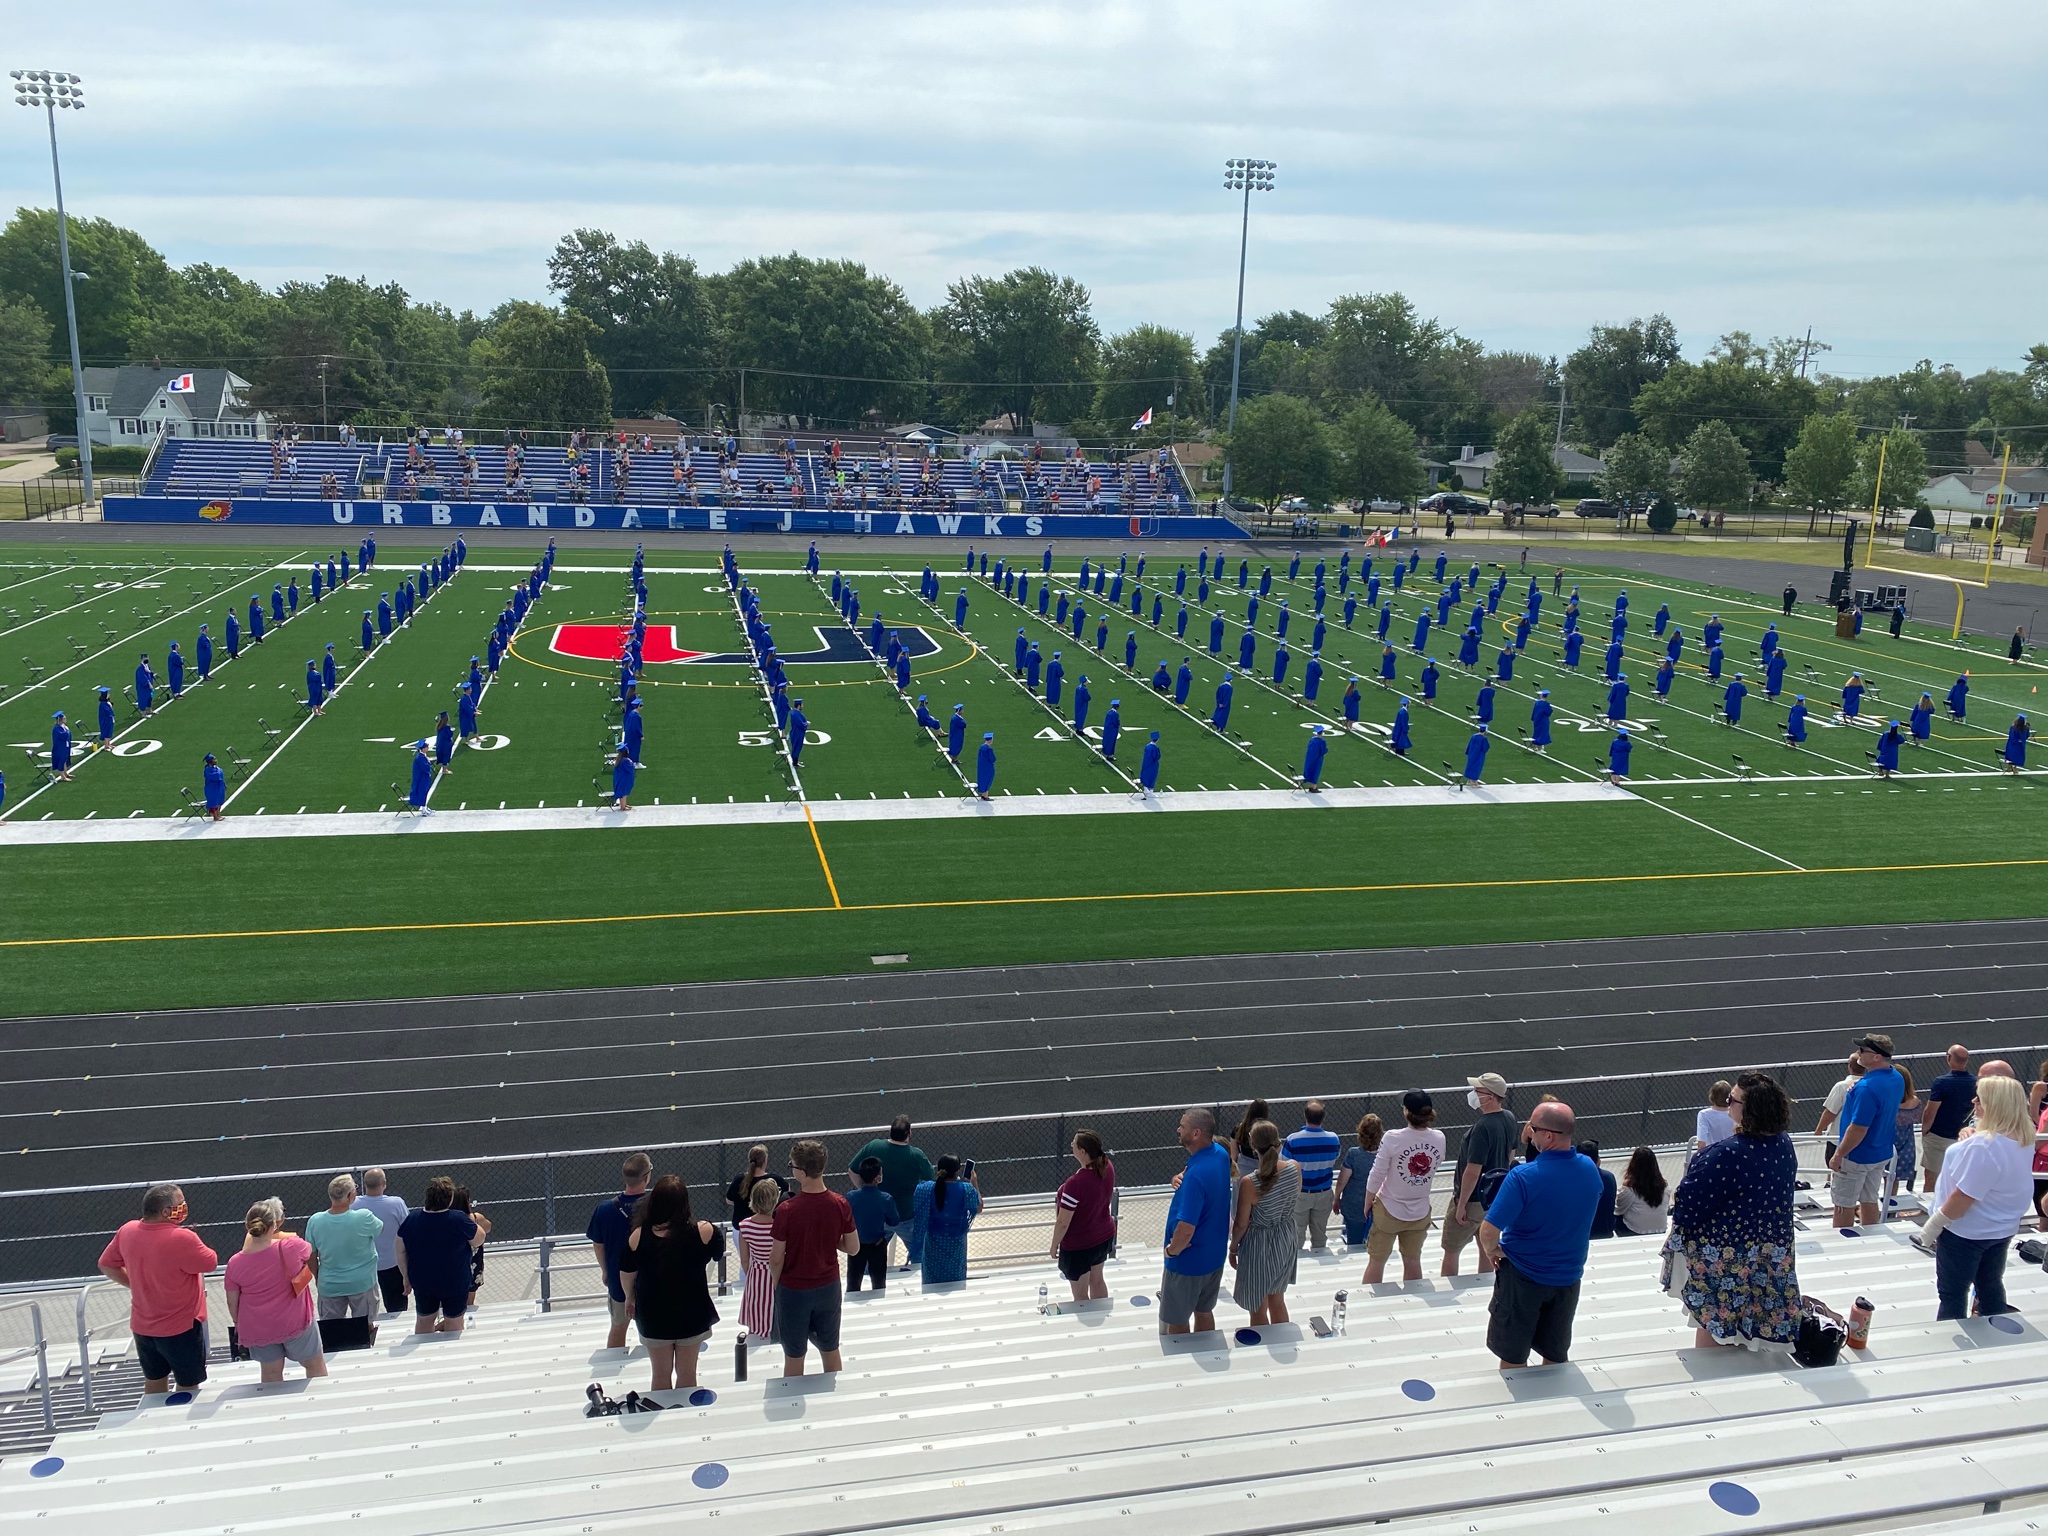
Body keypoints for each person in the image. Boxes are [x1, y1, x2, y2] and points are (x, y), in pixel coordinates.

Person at [1663, 1072, 1801, 1349]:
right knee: (1751, 1318)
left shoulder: (1724, 1154)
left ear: (1750, 1109)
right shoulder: (1784, 1144)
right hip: (1770, 1254)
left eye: (1732, 1100)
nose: (1728, 1104)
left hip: (1725, 1256)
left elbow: (1686, 1209)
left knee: (1713, 1323)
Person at [1478, 1100, 1602, 1369]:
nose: (1529, 1131)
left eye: (1532, 1127)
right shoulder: (1589, 1168)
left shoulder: (1522, 1177)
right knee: (1555, 1358)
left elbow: (1488, 1230)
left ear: (1547, 1136)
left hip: (1523, 1277)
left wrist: (1492, 1250)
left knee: (1513, 1359)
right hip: (1568, 1278)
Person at [1914, 1074, 2035, 1322]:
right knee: (1990, 1284)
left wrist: (1933, 1226)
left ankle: (1952, 1337)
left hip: (1965, 1232)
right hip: (2001, 1228)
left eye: (1979, 1098)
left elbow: (1963, 1197)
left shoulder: (1983, 1146)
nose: (1973, 1101)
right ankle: (1996, 1329)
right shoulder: (2023, 1136)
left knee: (1952, 1294)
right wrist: (1970, 1131)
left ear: (1993, 1104)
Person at [97, 1183, 217, 1396]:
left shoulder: (127, 1230)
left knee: (154, 1381)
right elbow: (210, 1262)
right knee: (188, 1386)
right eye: (181, 1203)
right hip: (181, 1328)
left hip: (143, 1327)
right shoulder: (182, 1238)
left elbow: (106, 1264)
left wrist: (135, 1284)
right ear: (165, 1212)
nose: (184, 1206)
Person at [617, 1175, 723, 1391]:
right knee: (687, 1374)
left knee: (660, 1375)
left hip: (654, 1316)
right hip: (692, 1313)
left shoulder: (638, 1236)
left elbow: (626, 1271)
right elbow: (717, 1253)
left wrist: (630, 1297)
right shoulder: (704, 1231)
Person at [769, 1139, 859, 1376]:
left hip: (794, 1290)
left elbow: (776, 1258)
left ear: (801, 1171)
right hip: (828, 1286)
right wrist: (830, 1239)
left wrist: (777, 1285)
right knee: (830, 1349)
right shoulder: (840, 1203)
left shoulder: (787, 1210)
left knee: (794, 1356)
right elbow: (853, 1248)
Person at [224, 1198, 328, 1385]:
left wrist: (238, 1323)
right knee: (314, 1366)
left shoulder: (234, 1262)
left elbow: (232, 1300)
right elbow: (308, 1250)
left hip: (258, 1327)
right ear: (275, 1224)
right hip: (294, 1321)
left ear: (247, 1226)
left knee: (271, 1373)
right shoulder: (291, 1246)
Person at [1160, 1108, 1232, 1336]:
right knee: (1204, 1311)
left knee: (1177, 1321)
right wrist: (1178, 1177)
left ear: (1196, 1133)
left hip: (1188, 1263)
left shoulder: (1196, 1175)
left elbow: (1185, 1230)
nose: (1178, 1129)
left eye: (1183, 1126)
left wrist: (1171, 1251)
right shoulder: (1220, 1154)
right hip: (1214, 1257)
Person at [1362, 1090, 1446, 1283]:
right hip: (1420, 1210)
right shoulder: (1439, 1138)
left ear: (1407, 1112)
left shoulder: (1392, 1137)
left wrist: (1367, 1202)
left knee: (1376, 1262)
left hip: (1388, 1209)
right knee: (1413, 1261)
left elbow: (1377, 1174)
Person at [1442, 1071, 1516, 1277]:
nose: (1473, 1094)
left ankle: (1448, 1287)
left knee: (1451, 1250)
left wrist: (1461, 1205)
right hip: (1493, 1197)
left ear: (1490, 1097)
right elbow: (1510, 1155)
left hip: (1473, 1199)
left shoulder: (1483, 1127)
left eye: (1478, 1091)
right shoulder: (1509, 1118)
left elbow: (1473, 1171)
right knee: (1486, 1248)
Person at [1828, 1033, 1905, 1228]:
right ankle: (1872, 1237)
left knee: (1843, 1205)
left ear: (1877, 1057)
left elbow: (1858, 1129)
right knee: (1870, 1199)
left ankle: (1843, 1242)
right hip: (1881, 1152)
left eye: (1863, 1050)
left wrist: (1838, 1155)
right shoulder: (1896, 1077)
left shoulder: (1866, 1089)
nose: (1858, 1052)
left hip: (1856, 1156)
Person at [1229, 1122, 1301, 1326]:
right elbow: (1294, 1197)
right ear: (1279, 1143)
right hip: (1286, 1237)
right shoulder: (1294, 1168)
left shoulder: (1250, 1182)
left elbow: (1241, 1224)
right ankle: (1282, 1340)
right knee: (1277, 1301)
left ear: (1252, 1145)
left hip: (1259, 1244)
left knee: (1258, 1307)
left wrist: (1233, 1249)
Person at [396, 1176, 482, 1335]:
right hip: (455, 1280)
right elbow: (479, 1239)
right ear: (450, 1198)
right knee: (454, 1321)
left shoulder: (412, 1219)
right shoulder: (458, 1219)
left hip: (423, 1280)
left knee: (424, 1320)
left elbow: (400, 1250)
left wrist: (406, 1277)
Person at [586, 1152, 653, 1350]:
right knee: (653, 1331)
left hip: (618, 1280)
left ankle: (613, 1361)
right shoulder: (656, 1206)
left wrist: (605, 1271)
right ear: (646, 1177)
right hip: (652, 1280)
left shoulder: (604, 1209)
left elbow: (598, 1244)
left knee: (618, 1326)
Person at [850, 1115, 935, 1270]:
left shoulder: (874, 1146)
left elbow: (852, 1170)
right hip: (906, 1215)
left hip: (878, 1215)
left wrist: (866, 1191)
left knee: (870, 1259)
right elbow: (930, 1180)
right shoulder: (916, 1155)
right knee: (920, 1254)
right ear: (909, 1133)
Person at [305, 1174, 384, 1324]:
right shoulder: (364, 1217)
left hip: (330, 1284)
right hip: (362, 1282)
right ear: (350, 1195)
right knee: (365, 1328)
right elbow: (380, 1230)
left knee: (332, 1330)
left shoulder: (315, 1221)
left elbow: (311, 1255)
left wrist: (318, 1277)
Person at [1052, 1129, 1116, 1304]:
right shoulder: (1107, 1166)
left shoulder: (1075, 1184)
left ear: (1082, 1151)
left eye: (1074, 1143)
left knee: (1080, 1295)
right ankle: (1101, 1313)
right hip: (1103, 1237)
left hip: (1079, 1246)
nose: (1071, 1145)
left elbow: (1063, 1222)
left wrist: (1054, 1245)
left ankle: (1088, 1319)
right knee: (1097, 1281)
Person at [911, 1154, 982, 1285]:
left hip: (933, 1242)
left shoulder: (926, 1189)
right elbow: (978, 1207)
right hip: (957, 1243)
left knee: (932, 1278)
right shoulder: (967, 1190)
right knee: (956, 1278)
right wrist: (974, 1183)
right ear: (957, 1172)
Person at [1282, 1101, 1343, 1252]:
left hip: (1299, 1194)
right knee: (1320, 1235)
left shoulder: (1293, 1140)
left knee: (1296, 1235)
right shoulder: (1333, 1139)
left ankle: (1296, 1262)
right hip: (1324, 1193)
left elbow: (1284, 1164)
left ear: (1305, 1115)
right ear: (1323, 1117)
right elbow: (1335, 1156)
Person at [1922, 1045, 1977, 1195]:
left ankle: (1930, 1205)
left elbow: (1930, 1111)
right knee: (1958, 1178)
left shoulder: (1941, 1082)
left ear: (1949, 1058)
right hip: (1963, 1137)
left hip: (1938, 1136)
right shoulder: (1975, 1082)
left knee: (1931, 1177)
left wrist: (1925, 1130)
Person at [846, 1157, 903, 1293]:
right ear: (877, 1178)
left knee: (853, 1282)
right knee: (879, 1284)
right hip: (877, 1246)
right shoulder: (886, 1198)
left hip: (856, 1245)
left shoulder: (850, 1197)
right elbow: (894, 1221)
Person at [736, 1177, 779, 1345]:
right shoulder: (779, 1225)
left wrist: (751, 1274)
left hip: (756, 1273)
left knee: (757, 1305)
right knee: (775, 1307)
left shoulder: (745, 1225)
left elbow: (744, 1260)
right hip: (777, 1273)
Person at [1332, 1115, 1383, 1248]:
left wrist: (1336, 1198)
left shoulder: (1353, 1154)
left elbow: (1342, 1180)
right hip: (1378, 1206)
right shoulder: (1385, 1155)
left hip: (1354, 1206)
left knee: (1354, 1243)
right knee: (1375, 1244)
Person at [1814, 1052, 1865, 1159]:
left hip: (1837, 1139)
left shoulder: (1841, 1087)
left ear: (1849, 1066)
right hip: (1861, 1139)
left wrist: (1818, 1131)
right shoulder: (1869, 1085)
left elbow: (1830, 1112)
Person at [1614, 1147, 1671, 1235]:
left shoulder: (1630, 1187)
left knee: (1614, 1217)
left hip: (1635, 1230)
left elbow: (1618, 1209)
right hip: (1660, 1229)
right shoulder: (1664, 1186)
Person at [1891, 1064, 1922, 1198]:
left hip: (1886, 1139)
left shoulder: (1888, 1100)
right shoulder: (1915, 1101)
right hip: (1906, 1143)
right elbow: (1917, 1118)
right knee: (1894, 1178)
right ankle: (1890, 1202)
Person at [1581, 1142, 1619, 1239]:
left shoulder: (1573, 1180)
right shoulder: (1609, 1177)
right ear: (1598, 1159)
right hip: (1605, 1231)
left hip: (1583, 1234)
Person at [1694, 1081, 1736, 1154]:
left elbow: (1701, 1143)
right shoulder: (1736, 1112)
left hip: (1713, 1154)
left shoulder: (1704, 1114)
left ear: (1712, 1096)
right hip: (1734, 1153)